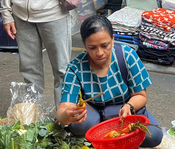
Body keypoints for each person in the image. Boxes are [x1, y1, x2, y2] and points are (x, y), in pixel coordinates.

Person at [56, 15, 163, 147]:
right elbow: (64, 108)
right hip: (93, 112)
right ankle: (97, 132)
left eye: (104, 45)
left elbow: (140, 95)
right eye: (92, 47)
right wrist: (65, 116)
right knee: (81, 125)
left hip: (123, 110)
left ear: (112, 39)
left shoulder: (127, 56)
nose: (100, 53)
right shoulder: (75, 67)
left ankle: (103, 132)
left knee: (154, 136)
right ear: (84, 45)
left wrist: (129, 106)